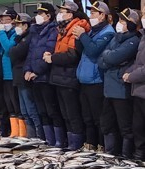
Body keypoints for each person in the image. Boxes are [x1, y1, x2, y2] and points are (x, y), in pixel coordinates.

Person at [43, 0, 90, 150]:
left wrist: (53, 58)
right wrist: (51, 54)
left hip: (69, 77)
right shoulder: (62, 28)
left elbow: (73, 55)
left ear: (71, 14)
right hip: (59, 76)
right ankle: (69, 143)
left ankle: (76, 145)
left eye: (63, 11)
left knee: (73, 113)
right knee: (65, 113)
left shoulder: (76, 28)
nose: (59, 14)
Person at [74, 1, 115, 151]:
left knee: (99, 117)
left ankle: (101, 144)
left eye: (93, 13)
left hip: (96, 80)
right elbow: (81, 50)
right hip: (84, 79)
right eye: (90, 13)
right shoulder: (92, 31)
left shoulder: (108, 32)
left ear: (102, 15)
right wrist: (78, 38)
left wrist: (83, 36)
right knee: (87, 116)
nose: (91, 16)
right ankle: (90, 142)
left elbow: (93, 50)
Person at [98, 8, 139, 158]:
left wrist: (109, 56)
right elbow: (102, 60)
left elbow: (112, 57)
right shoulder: (116, 37)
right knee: (107, 123)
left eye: (123, 20)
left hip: (121, 90)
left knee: (125, 126)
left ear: (132, 24)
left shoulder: (134, 40)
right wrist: (110, 56)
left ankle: (125, 156)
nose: (119, 23)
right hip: (108, 89)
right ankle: (110, 154)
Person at [24, 2, 60, 146]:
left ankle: (58, 141)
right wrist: (27, 70)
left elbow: (49, 53)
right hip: (34, 79)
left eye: (41, 14)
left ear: (48, 16)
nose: (38, 16)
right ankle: (47, 139)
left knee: (52, 110)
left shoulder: (53, 30)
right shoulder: (35, 31)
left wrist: (36, 71)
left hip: (45, 78)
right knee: (41, 111)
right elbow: (30, 54)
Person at [0, 8, 24, 137]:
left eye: (8, 20)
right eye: (2, 20)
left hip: (13, 74)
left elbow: (8, 48)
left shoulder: (16, 33)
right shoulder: (3, 33)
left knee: (17, 104)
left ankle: (22, 132)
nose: (4, 22)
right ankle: (14, 131)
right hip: (4, 74)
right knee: (9, 104)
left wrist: (1, 34)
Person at [124, 6, 145, 160]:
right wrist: (129, 72)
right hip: (138, 91)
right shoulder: (143, 36)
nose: (143, 17)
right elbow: (138, 63)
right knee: (138, 128)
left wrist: (131, 76)